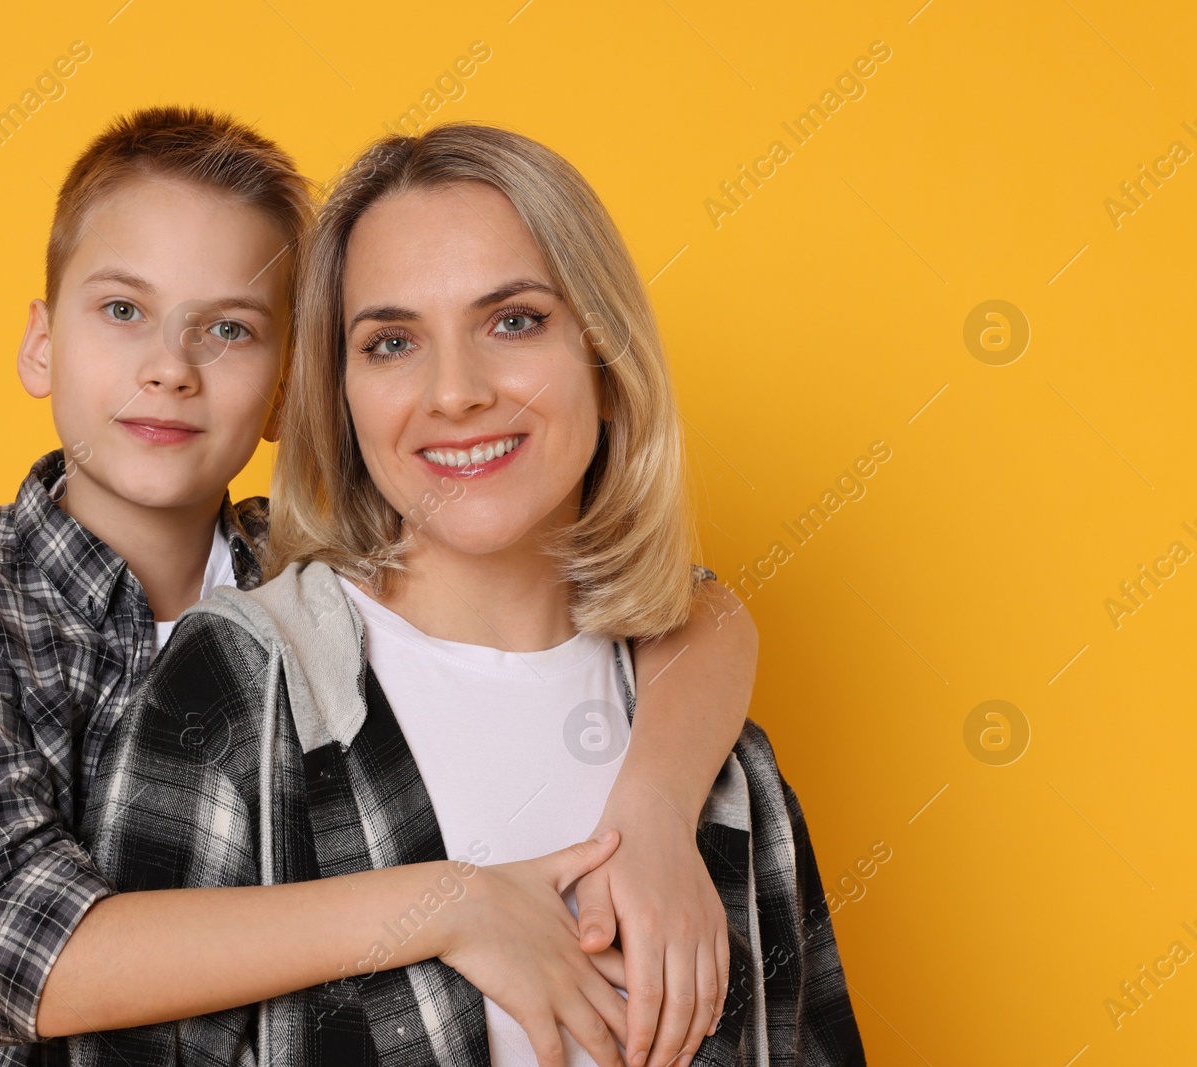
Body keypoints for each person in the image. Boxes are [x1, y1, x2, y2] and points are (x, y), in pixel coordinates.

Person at [0, 109, 758, 1067]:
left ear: (291, 386)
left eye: (230, 330)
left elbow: (691, 609)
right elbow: (28, 959)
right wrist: (449, 904)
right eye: (123, 311)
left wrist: (660, 806)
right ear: (40, 342)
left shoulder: (296, 581)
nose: (168, 369)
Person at [69, 123, 866, 1067]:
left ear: (606, 363)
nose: (455, 393)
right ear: (342, 396)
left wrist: (654, 813)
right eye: (392, 341)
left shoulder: (710, 751)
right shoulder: (243, 688)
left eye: (515, 320)